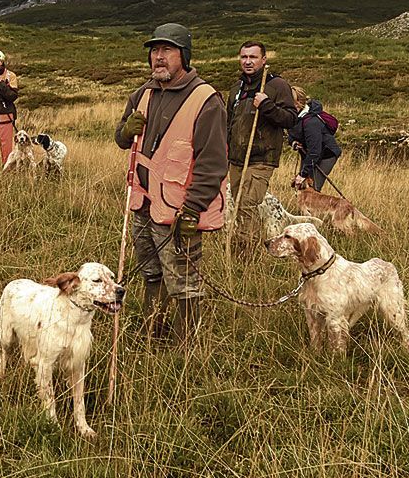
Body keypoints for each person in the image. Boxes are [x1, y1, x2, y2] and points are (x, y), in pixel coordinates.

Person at [114, 23, 228, 344]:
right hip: (142, 206)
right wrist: (125, 131)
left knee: (185, 283)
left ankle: (186, 349)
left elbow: (213, 163)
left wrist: (192, 210)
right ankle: (155, 332)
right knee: (152, 274)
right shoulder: (142, 94)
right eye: (154, 50)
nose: (158, 57)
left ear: (184, 56)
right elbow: (122, 139)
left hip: (179, 213)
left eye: (167, 50)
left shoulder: (206, 100)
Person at [225, 40, 297, 254]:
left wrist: (266, 105)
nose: (247, 61)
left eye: (253, 57)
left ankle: (247, 254)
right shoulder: (237, 88)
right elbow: (229, 122)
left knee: (248, 204)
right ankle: (239, 249)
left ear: (264, 59)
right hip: (237, 158)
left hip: (261, 158)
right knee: (238, 205)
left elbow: (291, 119)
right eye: (244, 57)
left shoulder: (277, 86)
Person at [287, 85, 342, 191]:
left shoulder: (311, 122)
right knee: (303, 188)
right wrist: (293, 142)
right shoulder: (293, 118)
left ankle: (323, 207)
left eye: (290, 102)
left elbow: (315, 151)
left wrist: (303, 174)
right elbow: (291, 135)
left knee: (312, 189)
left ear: (298, 103)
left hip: (327, 154)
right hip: (310, 154)